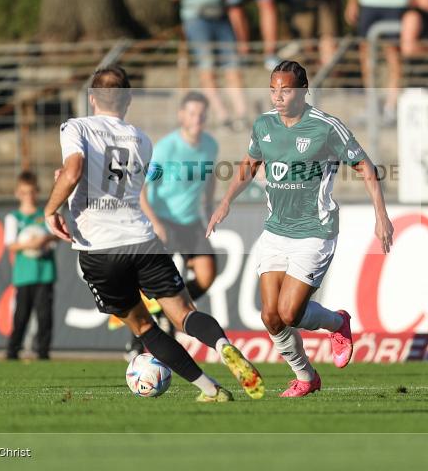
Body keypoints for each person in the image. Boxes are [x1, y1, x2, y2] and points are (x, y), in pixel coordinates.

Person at [44, 65, 264, 403]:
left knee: (145, 327)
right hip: (143, 240)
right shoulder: (142, 140)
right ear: (128, 100)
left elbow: (75, 171)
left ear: (91, 98)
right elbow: (115, 180)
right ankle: (223, 345)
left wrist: (50, 210)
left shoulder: (76, 127)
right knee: (185, 314)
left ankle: (211, 389)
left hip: (99, 247)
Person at [206, 60, 394, 398]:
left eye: (286, 89)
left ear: (304, 90)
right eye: (273, 89)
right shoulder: (263, 125)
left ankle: (337, 323)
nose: (278, 96)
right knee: (271, 316)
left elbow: (365, 167)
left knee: (290, 312)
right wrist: (226, 202)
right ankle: (306, 377)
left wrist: (381, 216)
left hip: (314, 231)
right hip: (276, 231)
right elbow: (249, 165)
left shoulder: (325, 127)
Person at [132, 91, 219, 358]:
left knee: (206, 275)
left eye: (201, 113)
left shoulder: (210, 145)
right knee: (151, 283)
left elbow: (211, 176)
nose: (197, 118)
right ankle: (138, 340)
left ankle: (170, 311)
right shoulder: (167, 148)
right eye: (192, 113)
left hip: (191, 222)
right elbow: (142, 188)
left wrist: (209, 207)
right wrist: (156, 222)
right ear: (182, 115)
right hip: (164, 221)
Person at [167, 0, 248, 131]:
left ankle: (242, 114)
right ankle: (222, 115)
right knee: (207, 66)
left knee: (233, 65)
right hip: (196, 18)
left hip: (221, 17)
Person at [4, 171, 59, 361]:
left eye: (32, 191)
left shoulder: (45, 214)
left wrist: (45, 238)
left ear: (37, 192)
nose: (29, 196)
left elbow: (56, 237)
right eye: (24, 192)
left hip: (44, 273)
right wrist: (29, 244)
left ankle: (43, 352)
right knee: (21, 316)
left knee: (45, 317)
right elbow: (11, 244)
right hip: (24, 274)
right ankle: (12, 351)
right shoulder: (13, 217)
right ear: (18, 193)